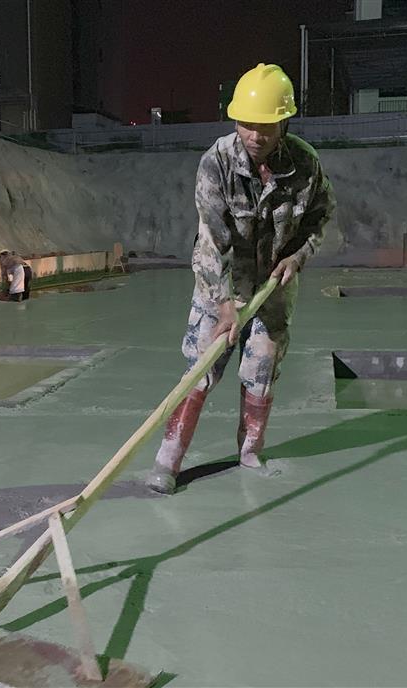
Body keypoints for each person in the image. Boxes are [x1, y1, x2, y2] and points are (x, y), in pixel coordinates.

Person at [146, 63, 336, 495]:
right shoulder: (216, 163)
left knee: (261, 370)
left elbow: (321, 216)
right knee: (201, 369)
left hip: (273, 287)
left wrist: (298, 256)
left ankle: (249, 452)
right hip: (220, 284)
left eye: (265, 125)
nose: (255, 134)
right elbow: (212, 240)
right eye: (247, 124)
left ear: (283, 122)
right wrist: (224, 303)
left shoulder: (305, 164)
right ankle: (168, 460)